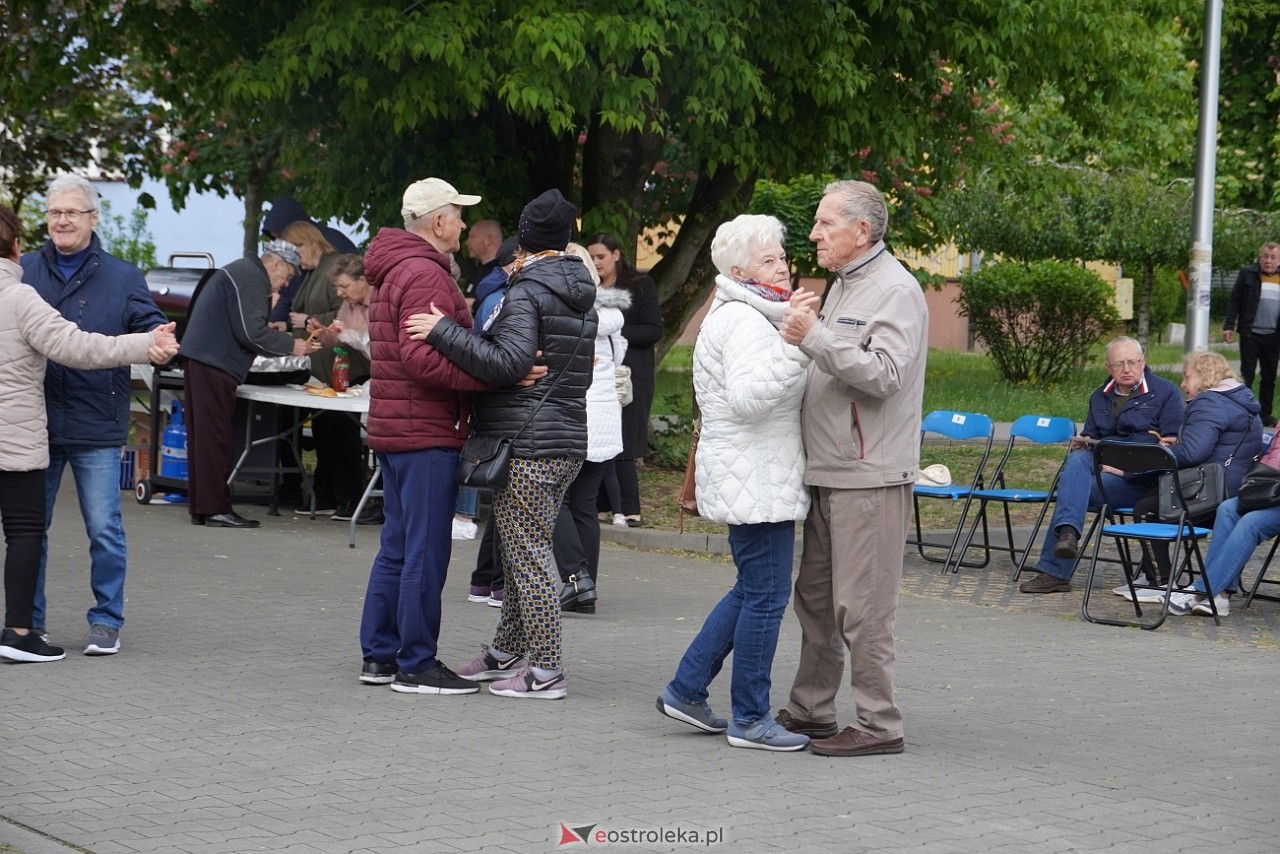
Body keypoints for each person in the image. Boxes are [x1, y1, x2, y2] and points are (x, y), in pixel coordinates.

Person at [409, 188, 597, 700]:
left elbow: (509, 363)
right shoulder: (579, 292)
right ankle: (507, 651)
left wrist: (443, 331)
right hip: (563, 439)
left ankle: (547, 670)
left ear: (525, 238)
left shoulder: (528, 291)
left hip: (528, 440)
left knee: (527, 555)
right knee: (519, 551)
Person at [775, 179, 927, 757]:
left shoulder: (895, 289)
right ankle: (812, 709)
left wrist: (814, 337)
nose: (814, 233)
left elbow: (886, 375)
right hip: (830, 469)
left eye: (825, 223)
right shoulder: (845, 284)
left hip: (870, 474)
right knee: (816, 600)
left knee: (863, 609)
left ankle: (879, 724)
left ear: (861, 231)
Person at [655, 214, 811, 751]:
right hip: (756, 477)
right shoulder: (745, 320)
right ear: (740, 271)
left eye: (782, 256)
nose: (782, 266)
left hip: (753, 472)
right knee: (766, 596)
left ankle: (686, 689)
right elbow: (748, 399)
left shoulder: (748, 312)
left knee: (752, 589)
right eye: (769, 260)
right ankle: (750, 718)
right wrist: (798, 346)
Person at [0, 205, 178, 663]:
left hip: (92, 420)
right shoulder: (23, 278)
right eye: (54, 212)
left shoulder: (122, 275)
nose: (62, 220)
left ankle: (105, 621)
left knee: (103, 528)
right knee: (29, 532)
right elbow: (76, 345)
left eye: (72, 212)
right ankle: (26, 627)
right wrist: (145, 345)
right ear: (17, 243)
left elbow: (146, 320)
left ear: (93, 217)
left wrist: (155, 338)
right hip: (32, 429)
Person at [357, 177, 489, 695]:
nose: (463, 223)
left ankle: (379, 656)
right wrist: (486, 377)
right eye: (458, 214)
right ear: (438, 221)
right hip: (426, 430)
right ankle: (416, 663)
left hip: (397, 427)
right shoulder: (426, 273)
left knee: (397, 546)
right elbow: (421, 358)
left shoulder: (395, 268)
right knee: (424, 552)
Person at [1019, 336, 1185, 594]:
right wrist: (1084, 442)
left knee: (1071, 491)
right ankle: (1067, 536)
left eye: (1132, 362)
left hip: (1143, 481)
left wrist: (1125, 470)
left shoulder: (1165, 393)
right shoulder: (1099, 396)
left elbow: (1170, 451)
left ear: (1143, 362)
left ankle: (1056, 569)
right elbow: (1092, 435)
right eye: (1119, 364)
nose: (1127, 369)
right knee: (1078, 459)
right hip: (1102, 472)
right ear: (1109, 367)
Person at [180, 241, 316, 528]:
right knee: (215, 438)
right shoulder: (251, 277)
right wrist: (292, 346)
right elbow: (251, 333)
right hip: (214, 363)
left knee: (205, 438)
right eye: (288, 275)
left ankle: (203, 507)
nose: (286, 283)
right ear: (276, 264)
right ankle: (215, 509)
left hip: (202, 359)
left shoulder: (243, 271)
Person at [1114, 350, 1261, 601]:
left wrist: (1158, 454)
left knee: (1147, 508)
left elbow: (1193, 453)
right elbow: (1218, 443)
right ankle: (1155, 577)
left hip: (1212, 491)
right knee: (1153, 501)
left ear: (1204, 376)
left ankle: (1159, 582)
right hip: (1237, 489)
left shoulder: (1209, 402)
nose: (1182, 383)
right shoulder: (1241, 401)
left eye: (1187, 376)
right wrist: (1182, 442)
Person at [554, 241, 629, 613]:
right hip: (604, 419)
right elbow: (620, 354)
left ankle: (576, 577)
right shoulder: (609, 313)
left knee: (553, 499)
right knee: (584, 504)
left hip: (572, 416)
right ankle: (586, 592)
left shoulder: (564, 312)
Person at [281, 221, 366, 520]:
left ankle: (348, 496)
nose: (294, 258)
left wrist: (310, 319)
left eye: (296, 250)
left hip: (344, 367)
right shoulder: (314, 272)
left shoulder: (332, 269)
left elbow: (345, 314)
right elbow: (338, 318)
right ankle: (327, 492)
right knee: (324, 431)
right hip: (325, 366)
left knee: (341, 432)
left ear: (306, 243)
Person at [586, 233, 662, 527]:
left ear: (616, 255)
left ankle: (630, 508)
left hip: (630, 374)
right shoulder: (590, 288)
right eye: (592, 257)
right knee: (600, 437)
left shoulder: (640, 285)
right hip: (598, 375)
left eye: (601, 256)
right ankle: (603, 505)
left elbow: (653, 329)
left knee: (625, 440)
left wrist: (613, 334)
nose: (596, 262)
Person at [1167, 433, 1280, 618]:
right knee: (1227, 509)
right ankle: (1220, 595)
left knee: (1250, 523)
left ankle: (1201, 590)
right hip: (1272, 487)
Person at [1223, 242, 1280, 427]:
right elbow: (1234, 301)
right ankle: (1245, 413)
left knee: (1269, 377)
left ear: (1279, 260)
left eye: (1273, 257)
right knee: (1247, 375)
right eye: (1265, 256)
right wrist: (1229, 326)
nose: (1268, 261)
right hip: (1250, 333)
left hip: (1274, 335)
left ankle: (1265, 415)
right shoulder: (1247, 274)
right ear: (1260, 257)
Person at [461, 219, 504, 297]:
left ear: (488, 240)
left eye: (472, 237)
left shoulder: (504, 273)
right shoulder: (475, 273)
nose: (467, 242)